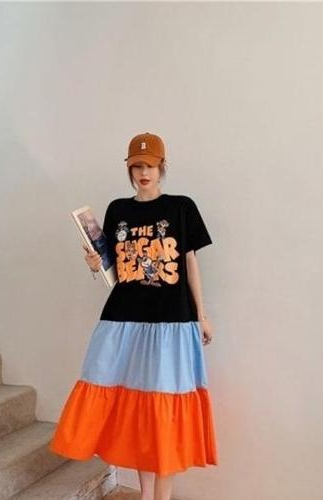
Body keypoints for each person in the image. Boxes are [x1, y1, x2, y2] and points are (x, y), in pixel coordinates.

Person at [48, 132, 219, 500]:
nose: (144, 172)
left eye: (150, 165)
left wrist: (202, 315)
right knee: (140, 409)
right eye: (137, 166)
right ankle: (145, 495)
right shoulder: (117, 210)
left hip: (172, 321)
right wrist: (95, 263)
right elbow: (112, 268)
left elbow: (190, 263)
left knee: (164, 410)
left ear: (162, 167)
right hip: (124, 318)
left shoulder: (182, 207)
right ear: (128, 168)